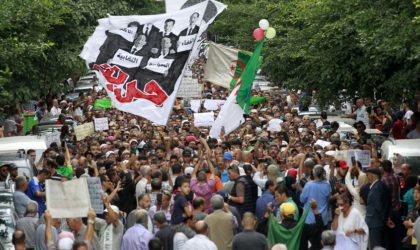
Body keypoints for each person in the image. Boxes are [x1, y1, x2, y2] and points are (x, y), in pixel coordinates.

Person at [365, 167, 391, 248]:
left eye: (367, 175)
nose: (367, 177)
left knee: (375, 246)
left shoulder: (376, 188)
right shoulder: (380, 185)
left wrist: (383, 220)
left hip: (375, 223)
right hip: (377, 222)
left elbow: (379, 207)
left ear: (372, 176)